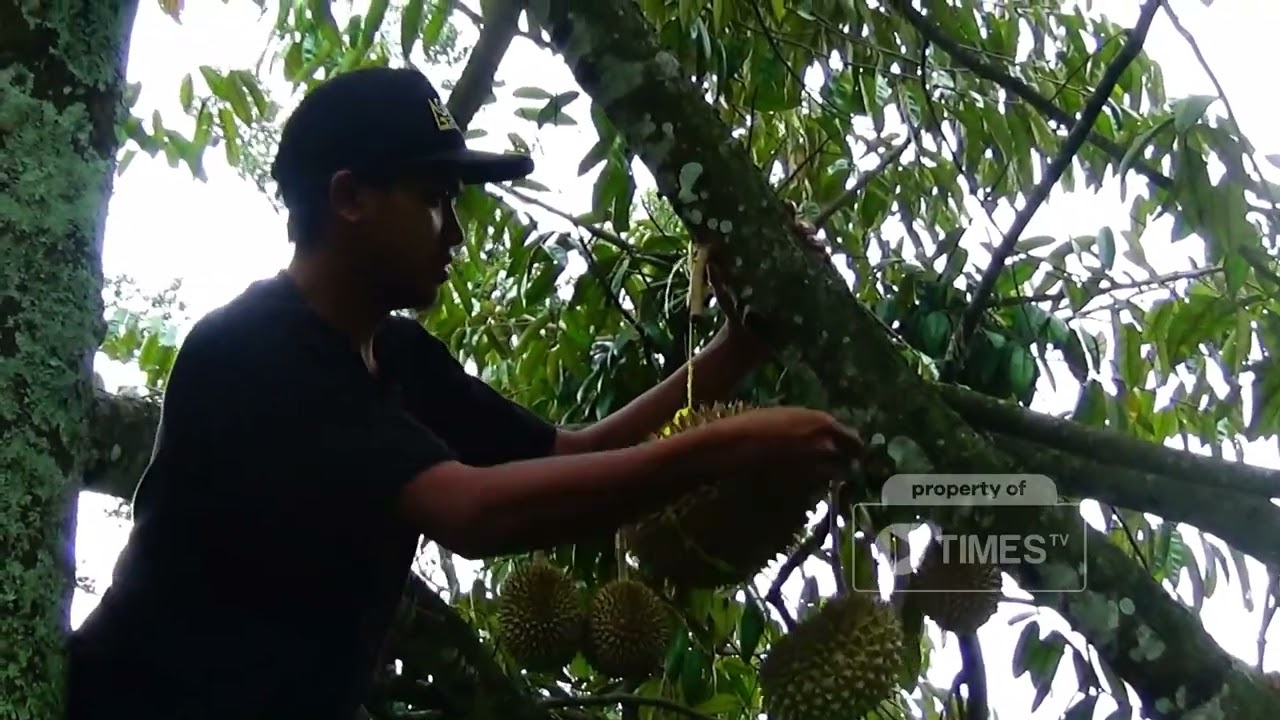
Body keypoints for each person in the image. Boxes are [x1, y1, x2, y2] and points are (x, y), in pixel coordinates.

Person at [67, 66, 862, 720]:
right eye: (433, 199)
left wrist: (737, 351)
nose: (455, 233)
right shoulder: (254, 351)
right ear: (348, 198)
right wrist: (734, 445)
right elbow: (473, 514)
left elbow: (568, 453)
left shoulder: (398, 353)